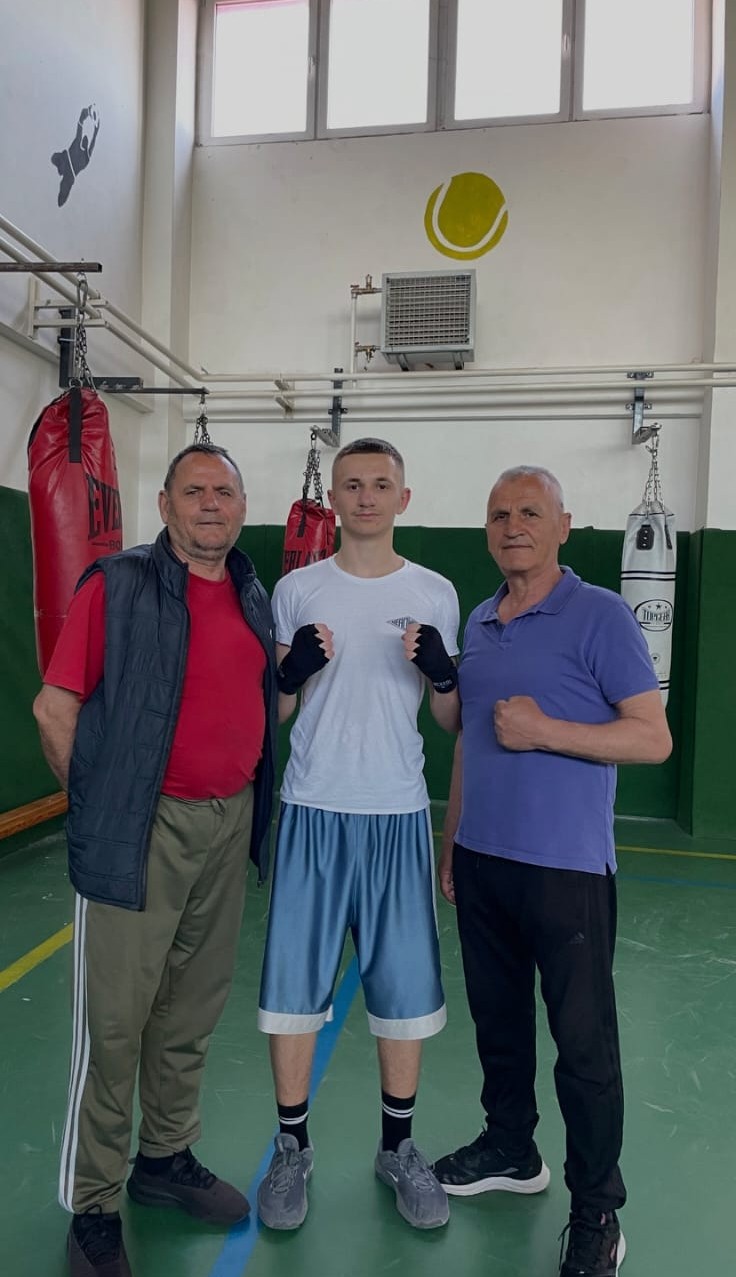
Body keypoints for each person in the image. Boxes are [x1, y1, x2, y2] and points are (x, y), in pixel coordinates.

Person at [32, 443, 277, 1277]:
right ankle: (94, 1204)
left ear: (241, 505)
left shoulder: (251, 592)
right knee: (114, 1025)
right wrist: (101, 808)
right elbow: (55, 707)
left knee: (189, 1011)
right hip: (143, 828)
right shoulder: (119, 584)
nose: (211, 503)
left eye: (224, 490)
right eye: (194, 490)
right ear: (165, 503)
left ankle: (165, 1158)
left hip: (227, 822)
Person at [433, 466, 672, 1277]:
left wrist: (547, 731)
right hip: (483, 862)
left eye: (530, 512)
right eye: (499, 513)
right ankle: (511, 1147)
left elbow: (652, 737)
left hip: (566, 870)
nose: (513, 525)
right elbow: (469, 739)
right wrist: (451, 840)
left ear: (563, 525)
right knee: (497, 1026)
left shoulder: (600, 614)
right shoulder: (479, 619)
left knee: (583, 1048)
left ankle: (597, 1208)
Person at [256, 437, 460, 1232]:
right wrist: (288, 674)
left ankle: (397, 1147)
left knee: (403, 992)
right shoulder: (297, 588)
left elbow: (449, 716)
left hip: (397, 810)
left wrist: (444, 673)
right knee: (292, 991)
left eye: (380, 484)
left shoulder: (434, 591)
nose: (366, 496)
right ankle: (292, 1148)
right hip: (312, 804)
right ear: (333, 498)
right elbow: (276, 714)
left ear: (403, 499)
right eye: (352, 484)